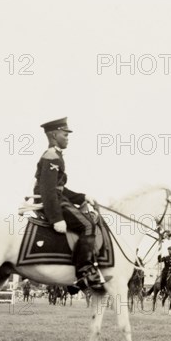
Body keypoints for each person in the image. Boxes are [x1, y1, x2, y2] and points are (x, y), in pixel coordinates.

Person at [33, 117, 108, 292]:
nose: (68, 137)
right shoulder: (51, 156)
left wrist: (82, 197)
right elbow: (48, 191)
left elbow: (59, 189)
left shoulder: (56, 155)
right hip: (52, 203)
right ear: (53, 134)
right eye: (64, 134)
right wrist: (56, 218)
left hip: (57, 199)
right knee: (88, 225)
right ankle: (84, 272)